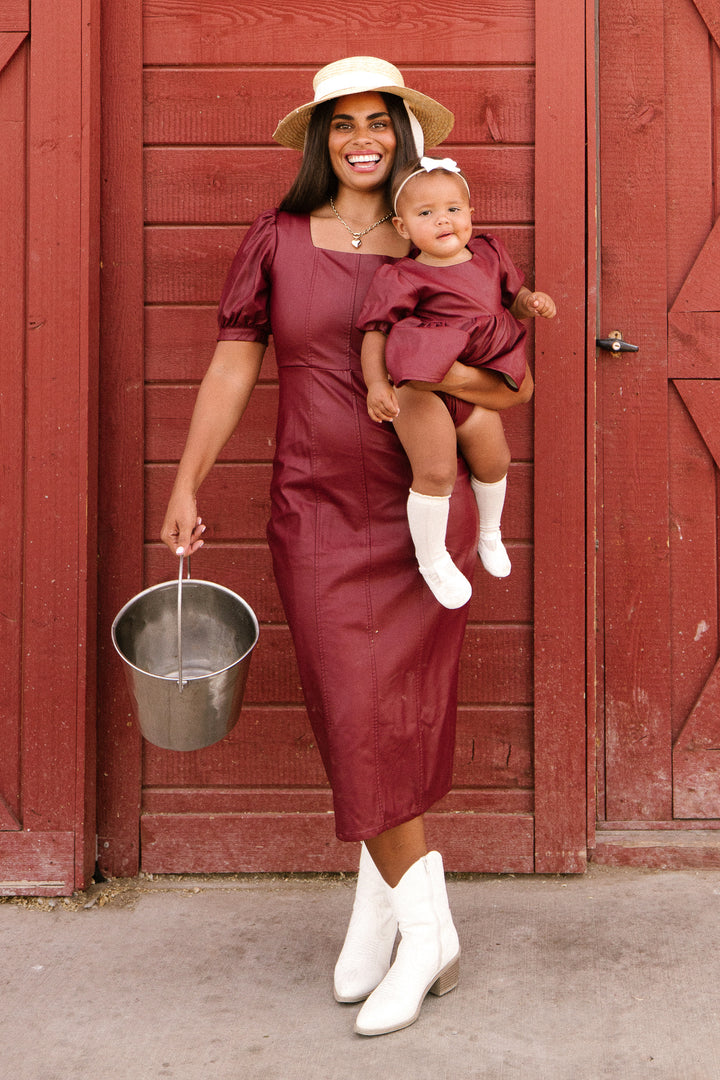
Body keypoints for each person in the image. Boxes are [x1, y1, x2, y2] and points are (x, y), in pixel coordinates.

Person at [160, 56, 534, 1038]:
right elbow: (233, 366)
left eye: (380, 120)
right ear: (320, 140)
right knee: (350, 702)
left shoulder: (437, 241)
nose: (362, 137)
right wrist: (188, 478)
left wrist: (461, 390)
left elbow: (505, 381)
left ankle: (398, 924)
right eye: (342, 124)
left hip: (419, 506)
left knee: (390, 712)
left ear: (404, 132)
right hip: (314, 506)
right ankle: (424, 924)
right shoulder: (278, 239)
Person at [357, 156, 556, 608]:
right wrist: (376, 385)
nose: (442, 219)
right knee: (437, 471)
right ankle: (432, 559)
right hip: (421, 385)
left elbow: (514, 297)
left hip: (479, 372)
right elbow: (376, 332)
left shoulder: (488, 254)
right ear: (403, 227)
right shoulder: (403, 275)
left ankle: (490, 533)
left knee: (496, 460)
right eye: (425, 213)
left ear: (470, 213)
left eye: (453, 209)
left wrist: (532, 302)